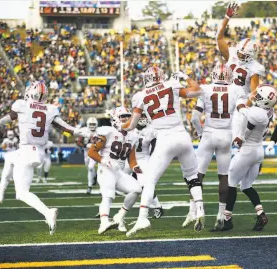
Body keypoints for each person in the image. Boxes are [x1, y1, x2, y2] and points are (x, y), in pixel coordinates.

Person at [0, 81, 89, 235]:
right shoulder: (51, 109)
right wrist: (83, 132)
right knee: (9, 157)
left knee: (22, 193)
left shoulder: (22, 105)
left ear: (31, 92)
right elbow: (67, 128)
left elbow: (2, 121)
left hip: (26, 151)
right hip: (38, 152)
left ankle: (47, 212)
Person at [122, 67, 204, 237]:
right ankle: (200, 209)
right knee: (192, 176)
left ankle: (143, 217)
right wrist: (187, 77)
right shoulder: (172, 84)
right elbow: (197, 91)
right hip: (182, 136)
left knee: (150, 180)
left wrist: (119, 126)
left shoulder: (141, 95)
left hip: (165, 138)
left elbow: (131, 125)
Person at [189, 63, 247, 229]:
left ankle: (197, 210)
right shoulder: (236, 90)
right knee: (223, 177)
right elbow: (243, 113)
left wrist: (200, 133)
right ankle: (221, 215)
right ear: (230, 76)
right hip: (225, 135)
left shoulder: (205, 89)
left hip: (208, 134)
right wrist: (239, 135)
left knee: (197, 175)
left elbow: (194, 118)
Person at [216, 85, 277, 232]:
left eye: (259, 96)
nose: (255, 96)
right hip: (258, 150)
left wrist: (238, 136)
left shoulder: (257, 113)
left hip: (248, 150)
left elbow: (245, 127)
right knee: (246, 186)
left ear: (264, 101)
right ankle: (261, 214)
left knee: (230, 182)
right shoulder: (269, 111)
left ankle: (227, 219)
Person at [88, 106, 142, 234]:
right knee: (108, 195)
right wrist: (104, 160)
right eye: (123, 117)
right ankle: (104, 222)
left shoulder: (133, 135)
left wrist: (137, 168)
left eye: (128, 117)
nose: (126, 119)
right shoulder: (109, 132)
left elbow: (132, 158)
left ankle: (120, 217)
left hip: (119, 172)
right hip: (106, 169)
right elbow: (91, 152)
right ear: (115, 119)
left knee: (136, 189)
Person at [216, 3, 265, 140]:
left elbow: (254, 91)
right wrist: (226, 18)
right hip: (225, 97)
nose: (241, 56)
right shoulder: (231, 54)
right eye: (240, 53)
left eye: (244, 55)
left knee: (235, 136)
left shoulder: (255, 67)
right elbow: (219, 38)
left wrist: (244, 108)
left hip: (240, 100)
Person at [77, 117, 99, 194]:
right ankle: (95, 176)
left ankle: (89, 186)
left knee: (90, 167)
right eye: (91, 124)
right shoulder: (84, 131)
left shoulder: (100, 131)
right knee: (88, 166)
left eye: (94, 124)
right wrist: (85, 145)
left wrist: (95, 146)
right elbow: (79, 142)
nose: (92, 126)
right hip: (86, 152)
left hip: (95, 152)